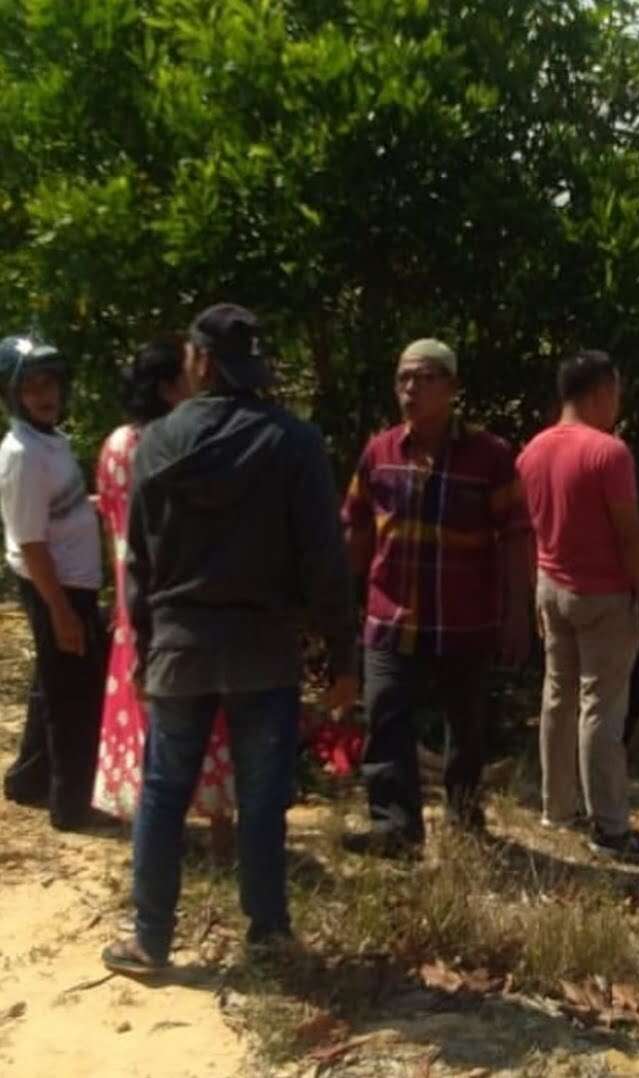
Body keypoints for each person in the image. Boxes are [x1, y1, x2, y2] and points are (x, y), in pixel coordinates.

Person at [102, 304, 357, 974]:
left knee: (164, 792)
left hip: (180, 646)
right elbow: (323, 557)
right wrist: (341, 653)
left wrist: (145, 644)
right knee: (263, 795)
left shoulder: (156, 441)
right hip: (262, 649)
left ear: (203, 361)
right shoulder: (293, 441)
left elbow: (140, 561)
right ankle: (267, 937)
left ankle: (151, 940)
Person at [341, 338, 532, 856]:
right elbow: (356, 528)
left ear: (451, 387)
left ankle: (465, 819)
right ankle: (395, 827)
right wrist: (340, 607)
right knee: (384, 715)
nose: (409, 389)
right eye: (403, 378)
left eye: (423, 378)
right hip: (389, 615)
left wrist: (518, 612)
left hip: (462, 618)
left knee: (465, 723)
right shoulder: (379, 452)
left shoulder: (488, 456)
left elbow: (517, 533)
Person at [517, 350, 639, 859]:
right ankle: (610, 827)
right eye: (617, 393)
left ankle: (556, 808)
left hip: (551, 587)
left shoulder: (532, 450)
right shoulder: (609, 453)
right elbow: (630, 537)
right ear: (601, 391)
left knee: (557, 697)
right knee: (601, 706)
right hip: (603, 594)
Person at [91, 337, 236, 851]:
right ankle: (222, 836)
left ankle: (150, 838)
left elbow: (113, 525)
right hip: (180, 592)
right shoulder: (183, 440)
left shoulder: (113, 446)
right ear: (170, 386)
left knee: (142, 708)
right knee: (203, 708)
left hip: (133, 598)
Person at [0, 335, 110, 832]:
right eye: (32, 387)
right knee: (74, 696)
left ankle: (30, 778)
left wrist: (91, 506)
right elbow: (30, 541)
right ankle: (71, 806)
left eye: (50, 384)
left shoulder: (50, 442)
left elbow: (55, 511)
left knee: (53, 682)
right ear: (12, 394)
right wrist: (61, 611)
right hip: (56, 585)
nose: (45, 395)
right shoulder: (21, 454)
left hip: (72, 582)